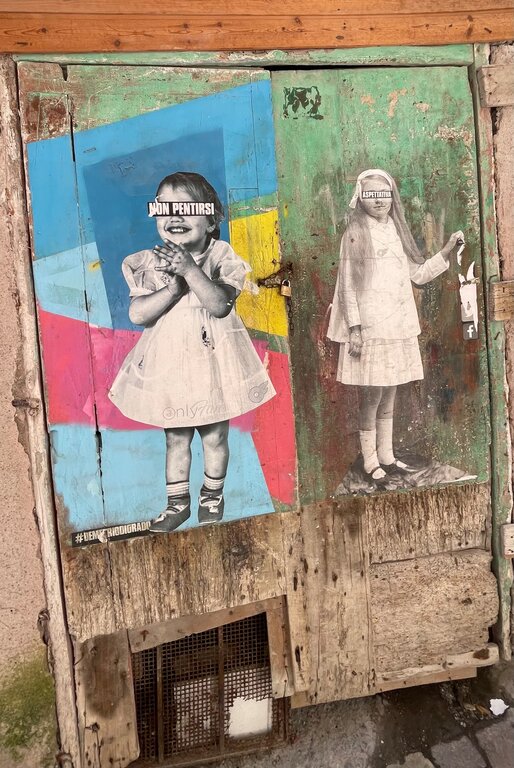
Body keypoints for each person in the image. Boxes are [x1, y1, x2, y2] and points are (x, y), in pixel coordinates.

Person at [109, 172, 275, 531]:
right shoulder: (148, 261)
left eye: (187, 208)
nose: (175, 216)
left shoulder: (221, 255)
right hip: (171, 362)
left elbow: (219, 305)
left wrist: (189, 269)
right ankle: (177, 503)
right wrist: (171, 289)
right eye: (165, 208)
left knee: (214, 435)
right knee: (176, 436)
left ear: (211, 220)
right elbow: (138, 315)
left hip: (214, 361)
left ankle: (212, 495)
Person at [327, 168, 463, 486]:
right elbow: (346, 286)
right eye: (371, 195)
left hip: (396, 327)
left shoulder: (395, 231)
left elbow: (417, 275)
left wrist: (445, 251)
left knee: (390, 393)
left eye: (384, 194)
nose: (379, 201)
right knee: (371, 396)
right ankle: (370, 461)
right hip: (371, 329)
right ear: (360, 198)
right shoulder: (355, 233)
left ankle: (386, 456)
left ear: (392, 197)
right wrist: (355, 328)